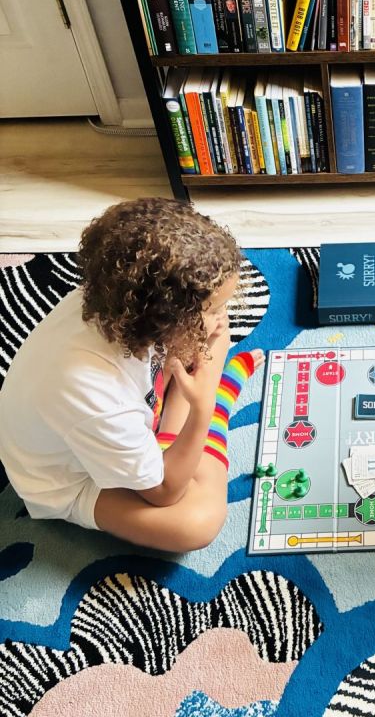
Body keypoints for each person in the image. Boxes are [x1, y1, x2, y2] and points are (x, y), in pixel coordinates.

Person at [0, 198, 263, 553]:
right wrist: (203, 410)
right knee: (196, 523)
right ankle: (207, 409)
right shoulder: (89, 389)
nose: (220, 313)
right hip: (77, 479)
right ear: (164, 317)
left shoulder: (120, 299)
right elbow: (164, 494)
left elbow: (205, 330)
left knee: (215, 336)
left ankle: (170, 435)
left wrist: (205, 326)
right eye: (210, 308)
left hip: (128, 414)